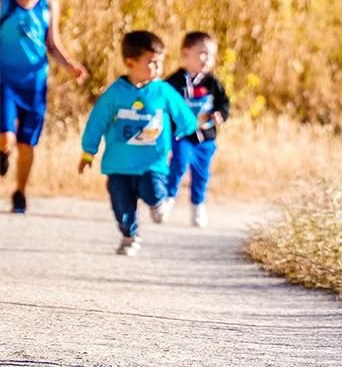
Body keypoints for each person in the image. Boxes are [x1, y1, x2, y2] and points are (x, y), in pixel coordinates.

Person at [78, 31, 196, 256]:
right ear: (130, 63)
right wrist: (88, 152)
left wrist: (184, 131)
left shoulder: (162, 90)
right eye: (151, 63)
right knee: (121, 205)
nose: (158, 68)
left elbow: (184, 116)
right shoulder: (115, 94)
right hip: (118, 165)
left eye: (160, 62)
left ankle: (159, 202)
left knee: (153, 191)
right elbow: (97, 122)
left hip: (152, 163)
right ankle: (129, 236)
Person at [1, 0, 87, 213]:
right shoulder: (4, 1)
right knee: (6, 136)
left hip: (35, 84)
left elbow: (52, 43)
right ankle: (3, 152)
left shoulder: (49, 5)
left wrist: (70, 65)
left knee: (28, 143)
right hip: (4, 81)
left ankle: (20, 192)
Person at [162, 31, 230, 228]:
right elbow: (163, 103)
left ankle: (197, 205)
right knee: (179, 163)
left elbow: (223, 103)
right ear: (185, 54)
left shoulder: (212, 83)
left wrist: (220, 114)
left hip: (205, 137)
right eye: (202, 53)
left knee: (201, 173)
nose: (207, 59)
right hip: (181, 135)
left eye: (210, 55)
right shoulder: (174, 82)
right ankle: (168, 198)